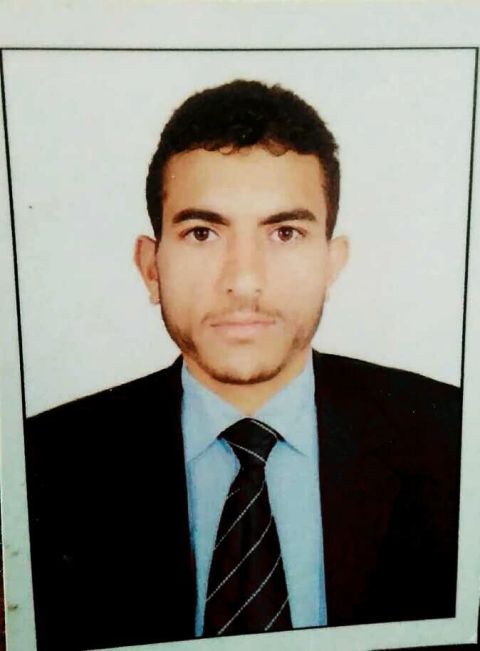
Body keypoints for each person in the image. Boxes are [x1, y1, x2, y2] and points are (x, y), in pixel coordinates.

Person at [25, 80, 461, 651]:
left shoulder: (455, 437)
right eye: (202, 233)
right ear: (151, 267)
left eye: (285, 233)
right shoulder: (37, 464)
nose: (244, 279)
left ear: (332, 264)